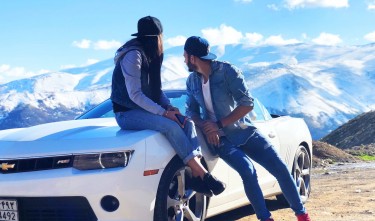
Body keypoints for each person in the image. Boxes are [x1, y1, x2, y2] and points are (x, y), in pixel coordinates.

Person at [183, 36, 312, 221]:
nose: (184, 59)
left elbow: (247, 104)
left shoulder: (227, 71)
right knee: (247, 171)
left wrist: (218, 124)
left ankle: (302, 215)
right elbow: (191, 111)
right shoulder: (192, 81)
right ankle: (265, 218)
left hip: (244, 130)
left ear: (192, 57)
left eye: (185, 56)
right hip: (220, 140)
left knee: (281, 168)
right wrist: (207, 127)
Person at [110, 16, 225, 196]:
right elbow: (135, 95)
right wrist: (163, 113)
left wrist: (169, 108)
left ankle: (196, 174)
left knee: (187, 123)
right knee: (171, 125)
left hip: (145, 111)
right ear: (156, 38)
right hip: (127, 113)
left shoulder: (150, 55)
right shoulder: (133, 55)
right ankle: (202, 174)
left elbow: (156, 90)